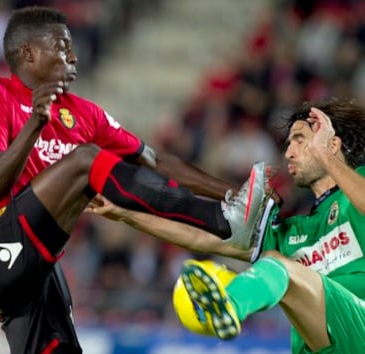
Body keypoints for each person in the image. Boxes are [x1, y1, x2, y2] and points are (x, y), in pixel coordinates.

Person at [0, 6, 270, 354]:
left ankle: (229, 214)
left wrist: (231, 193)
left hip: (37, 268)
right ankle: (223, 224)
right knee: (86, 160)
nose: (73, 56)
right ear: (28, 52)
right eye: (62, 46)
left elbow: (157, 161)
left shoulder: (84, 114)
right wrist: (34, 125)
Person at [88, 98, 365, 353]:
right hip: (323, 346)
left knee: (276, 264)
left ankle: (228, 304)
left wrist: (326, 157)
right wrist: (125, 214)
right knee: (276, 264)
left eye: (299, 140)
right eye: (287, 143)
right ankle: (226, 309)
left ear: (332, 143)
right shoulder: (290, 233)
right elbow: (201, 239)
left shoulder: (357, 191)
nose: (289, 152)